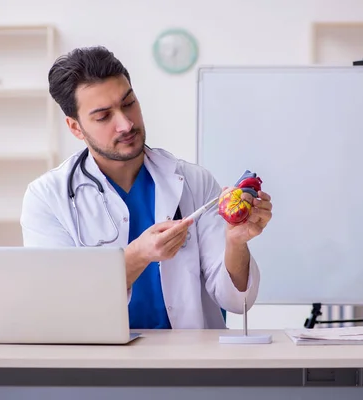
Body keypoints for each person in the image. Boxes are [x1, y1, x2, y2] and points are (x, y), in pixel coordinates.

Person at [20, 46, 273, 329]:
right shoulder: (47, 198)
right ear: (76, 127)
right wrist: (138, 256)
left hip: (191, 363)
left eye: (128, 103)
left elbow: (237, 301)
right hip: (101, 365)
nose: (126, 124)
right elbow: (58, 306)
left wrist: (235, 242)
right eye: (103, 116)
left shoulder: (194, 182)